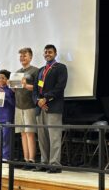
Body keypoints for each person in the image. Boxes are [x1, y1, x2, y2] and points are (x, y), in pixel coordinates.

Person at [32, 44, 68, 173]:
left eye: (50, 52)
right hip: (40, 108)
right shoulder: (41, 70)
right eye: (46, 52)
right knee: (42, 138)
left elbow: (60, 87)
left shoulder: (61, 68)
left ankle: (55, 164)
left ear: (55, 53)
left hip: (53, 106)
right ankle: (44, 162)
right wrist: (38, 101)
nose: (47, 54)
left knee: (54, 137)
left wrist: (45, 99)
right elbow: (35, 90)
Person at [14, 48, 38, 169]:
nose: (22, 58)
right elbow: (16, 89)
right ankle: (25, 159)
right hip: (18, 106)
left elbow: (39, 88)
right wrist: (12, 86)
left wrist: (25, 85)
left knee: (30, 133)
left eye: (25, 56)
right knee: (23, 133)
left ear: (31, 57)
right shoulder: (17, 72)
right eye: (21, 56)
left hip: (30, 105)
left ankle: (32, 160)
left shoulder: (35, 70)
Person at [0, 70, 15, 161]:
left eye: (3, 78)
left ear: (7, 79)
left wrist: (5, 95)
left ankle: (6, 158)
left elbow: (13, 104)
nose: (1, 80)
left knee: (6, 139)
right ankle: (1, 157)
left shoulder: (11, 90)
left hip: (7, 117)